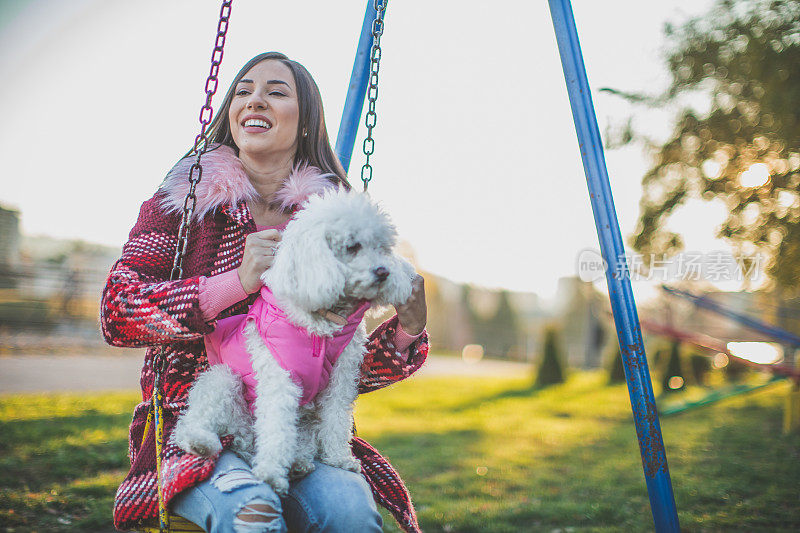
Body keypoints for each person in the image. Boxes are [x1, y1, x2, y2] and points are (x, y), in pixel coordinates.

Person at [101, 52, 429, 533]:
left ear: (305, 122)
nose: (255, 99)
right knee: (251, 509)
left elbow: (336, 369)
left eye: (276, 91)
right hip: (200, 423)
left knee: (351, 513)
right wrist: (235, 283)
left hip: (301, 433)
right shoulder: (183, 205)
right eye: (243, 90)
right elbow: (117, 312)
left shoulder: (334, 225)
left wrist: (408, 330)